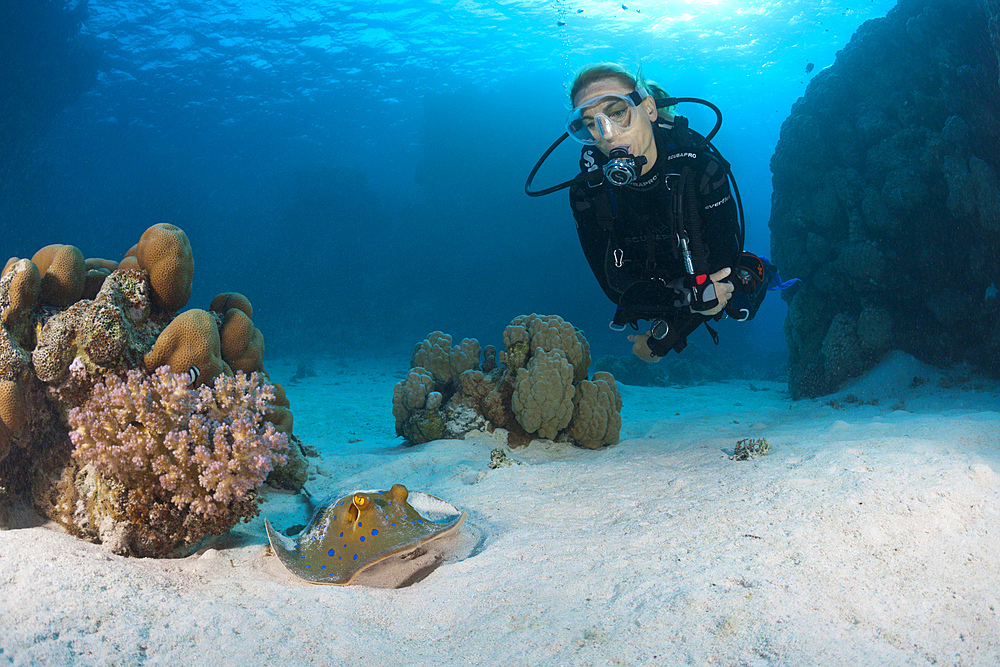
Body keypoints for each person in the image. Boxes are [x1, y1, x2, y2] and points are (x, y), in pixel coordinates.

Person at [562, 63, 777, 362]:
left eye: (617, 112)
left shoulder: (702, 169)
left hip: (698, 272)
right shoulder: (587, 193)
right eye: (591, 123)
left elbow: (721, 272)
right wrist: (685, 300)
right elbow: (613, 288)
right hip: (656, 283)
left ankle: (762, 270)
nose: (608, 134)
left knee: (735, 300)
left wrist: (667, 336)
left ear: (648, 108)